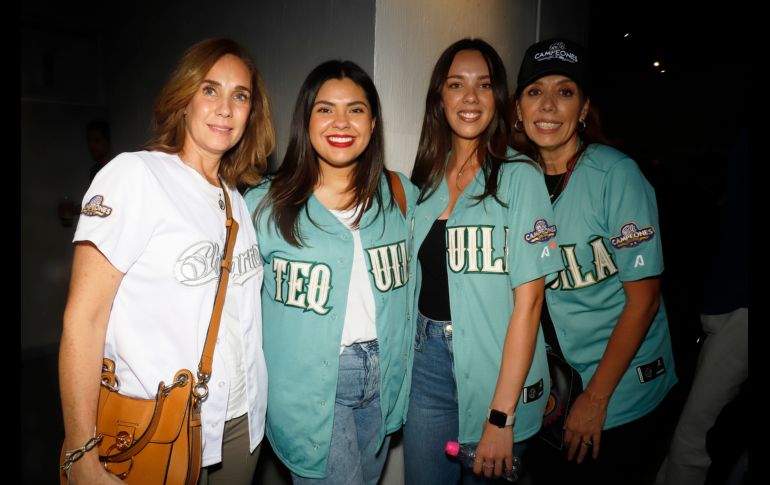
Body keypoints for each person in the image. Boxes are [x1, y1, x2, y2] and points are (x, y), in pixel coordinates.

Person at [59, 38, 275, 485]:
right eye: (210, 90)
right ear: (184, 100)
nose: (225, 108)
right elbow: (85, 317)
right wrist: (81, 449)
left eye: (241, 96)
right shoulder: (136, 175)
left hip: (241, 424)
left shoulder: (236, 199)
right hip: (158, 430)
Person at [510, 38, 678, 485]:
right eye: (534, 91)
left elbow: (644, 301)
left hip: (622, 388)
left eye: (565, 92)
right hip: (558, 392)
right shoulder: (515, 181)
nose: (548, 105)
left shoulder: (615, 174)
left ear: (583, 109)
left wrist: (597, 398)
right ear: (518, 110)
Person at [245, 60, 416, 485]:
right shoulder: (263, 204)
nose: (341, 122)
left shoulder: (399, 193)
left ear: (373, 122)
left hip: (385, 378)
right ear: (306, 119)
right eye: (325, 109)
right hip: (312, 387)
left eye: (356, 109)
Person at [402, 38, 563, 484]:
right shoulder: (425, 181)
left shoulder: (519, 178)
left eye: (484, 85)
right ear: (441, 97)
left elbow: (529, 305)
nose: (470, 97)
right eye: (457, 84)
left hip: (497, 371)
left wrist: (500, 417)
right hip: (426, 365)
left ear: (499, 98)